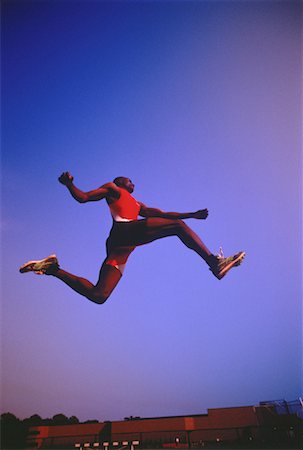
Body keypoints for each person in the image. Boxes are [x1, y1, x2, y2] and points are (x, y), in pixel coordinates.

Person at [19, 172, 245, 305]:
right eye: (130, 180)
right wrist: (69, 185)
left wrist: (191, 215)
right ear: (120, 182)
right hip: (123, 232)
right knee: (177, 227)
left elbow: (164, 215)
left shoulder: (137, 205)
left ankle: (52, 269)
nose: (133, 184)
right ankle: (214, 263)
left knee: (99, 295)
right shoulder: (113, 189)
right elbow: (84, 198)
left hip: (120, 249)